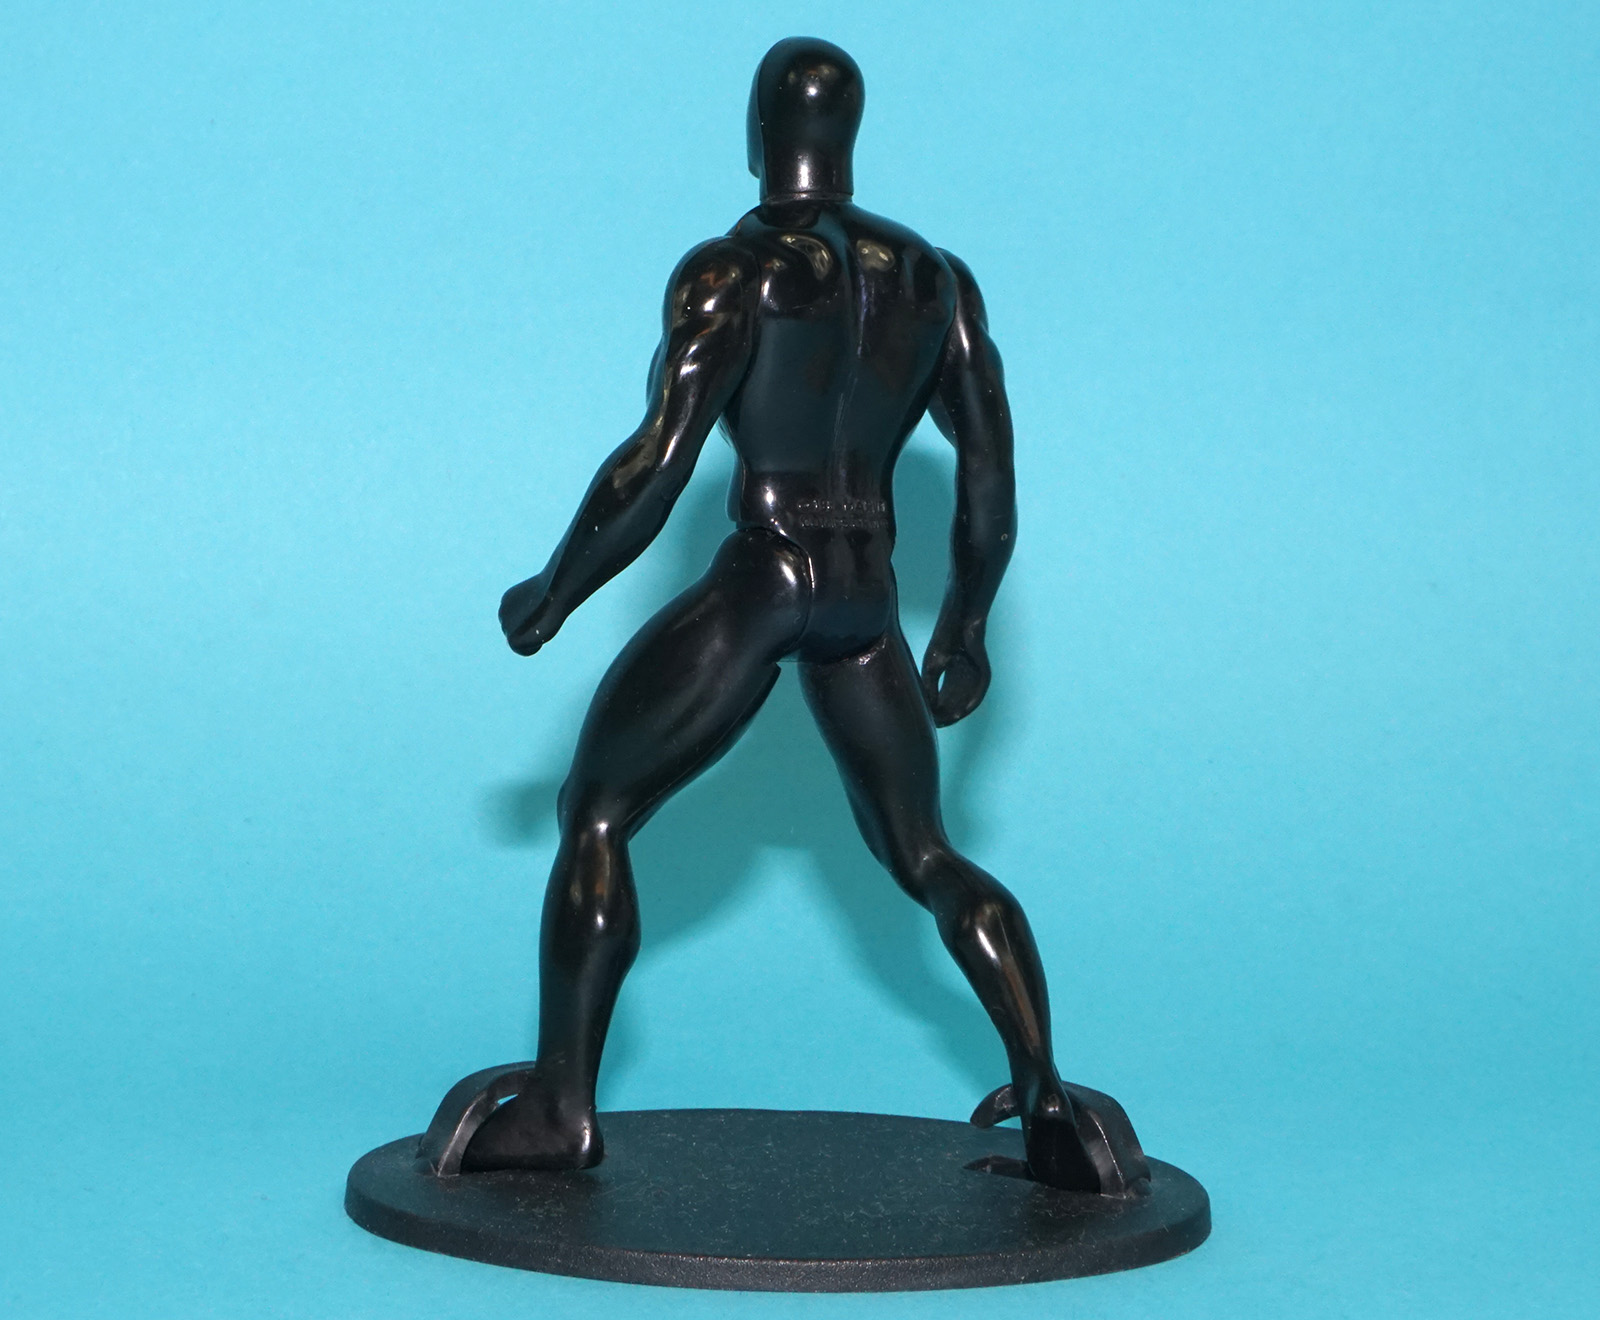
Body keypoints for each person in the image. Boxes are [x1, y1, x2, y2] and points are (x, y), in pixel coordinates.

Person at [419, 37, 1147, 1195]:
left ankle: (559, 1107)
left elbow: (659, 461)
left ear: (758, 135)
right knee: (923, 852)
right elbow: (989, 477)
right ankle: (1051, 1100)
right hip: (864, 592)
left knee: (596, 812)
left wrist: (555, 589)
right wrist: (963, 624)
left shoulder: (733, 271)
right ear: (847, 136)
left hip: (769, 572)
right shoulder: (932, 281)